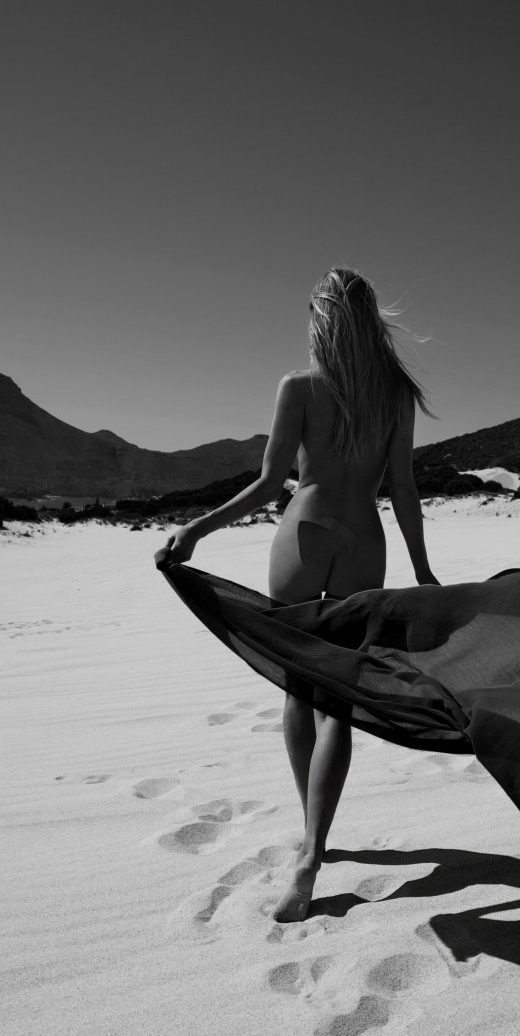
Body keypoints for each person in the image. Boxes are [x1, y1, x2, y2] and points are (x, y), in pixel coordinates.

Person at [157, 267, 439, 921]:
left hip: (303, 532)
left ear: (322, 320)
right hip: (363, 540)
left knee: (297, 689)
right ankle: (314, 847)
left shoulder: (300, 386)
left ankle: (311, 839)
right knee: (338, 703)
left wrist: (195, 530)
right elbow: (401, 488)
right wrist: (423, 567)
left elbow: (267, 484)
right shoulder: (396, 393)